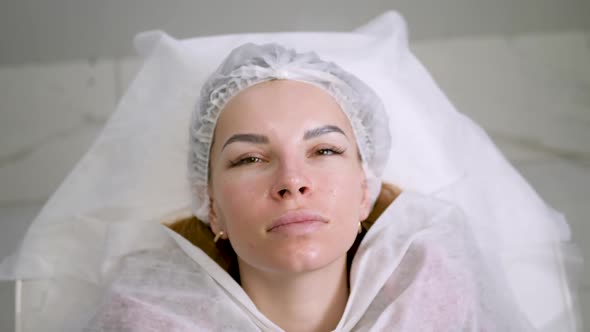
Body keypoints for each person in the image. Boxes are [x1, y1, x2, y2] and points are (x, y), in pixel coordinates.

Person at [84, 43, 536, 331]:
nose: (292, 182)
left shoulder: (436, 297)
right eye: (250, 159)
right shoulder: (146, 320)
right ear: (212, 207)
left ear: (365, 190)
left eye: (324, 151)